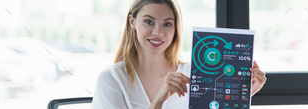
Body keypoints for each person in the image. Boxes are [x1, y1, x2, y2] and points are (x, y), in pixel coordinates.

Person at [91, 0, 267, 109]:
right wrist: (160, 99)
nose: (157, 32)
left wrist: (241, 96)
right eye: (149, 22)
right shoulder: (111, 79)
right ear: (132, 21)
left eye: (167, 24)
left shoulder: (196, 74)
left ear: (175, 29)